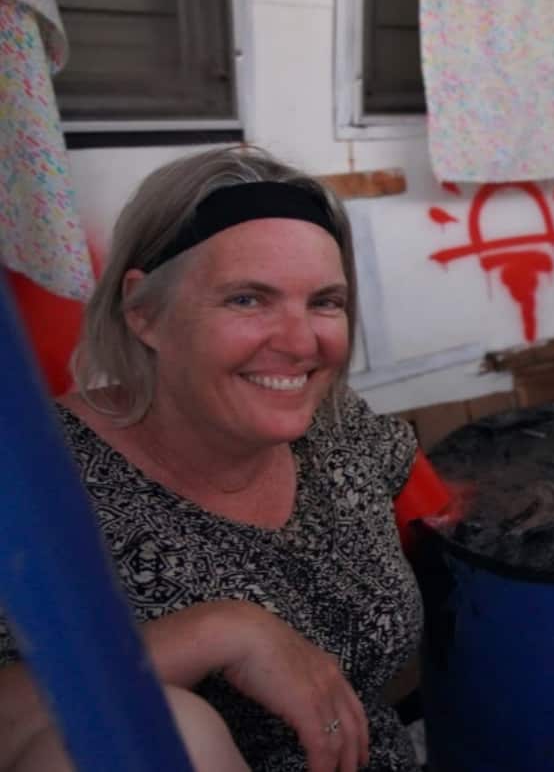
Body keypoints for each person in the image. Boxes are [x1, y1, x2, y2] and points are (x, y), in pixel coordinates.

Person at [0, 146, 424, 772]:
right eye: (247, 299)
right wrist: (220, 632)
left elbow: (442, 514)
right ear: (144, 312)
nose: (301, 342)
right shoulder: (37, 483)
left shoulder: (335, 425)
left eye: (325, 302)